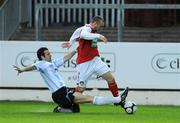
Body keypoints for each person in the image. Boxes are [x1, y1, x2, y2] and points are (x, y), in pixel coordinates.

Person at [13, 47, 128, 113]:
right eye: (48, 54)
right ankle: (117, 100)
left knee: (77, 108)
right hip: (59, 94)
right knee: (90, 98)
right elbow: (32, 66)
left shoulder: (52, 63)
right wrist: (22, 69)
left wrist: (76, 50)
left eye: (49, 53)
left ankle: (62, 108)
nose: (50, 55)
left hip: (63, 92)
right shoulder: (41, 64)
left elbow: (65, 58)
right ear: (42, 57)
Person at [61, 16, 128, 107]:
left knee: (111, 79)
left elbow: (77, 31)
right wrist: (99, 36)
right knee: (80, 90)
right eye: (100, 26)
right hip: (84, 64)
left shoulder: (89, 29)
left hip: (96, 61)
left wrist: (70, 42)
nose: (101, 29)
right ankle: (69, 104)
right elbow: (83, 34)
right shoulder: (87, 29)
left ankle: (118, 100)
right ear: (95, 23)